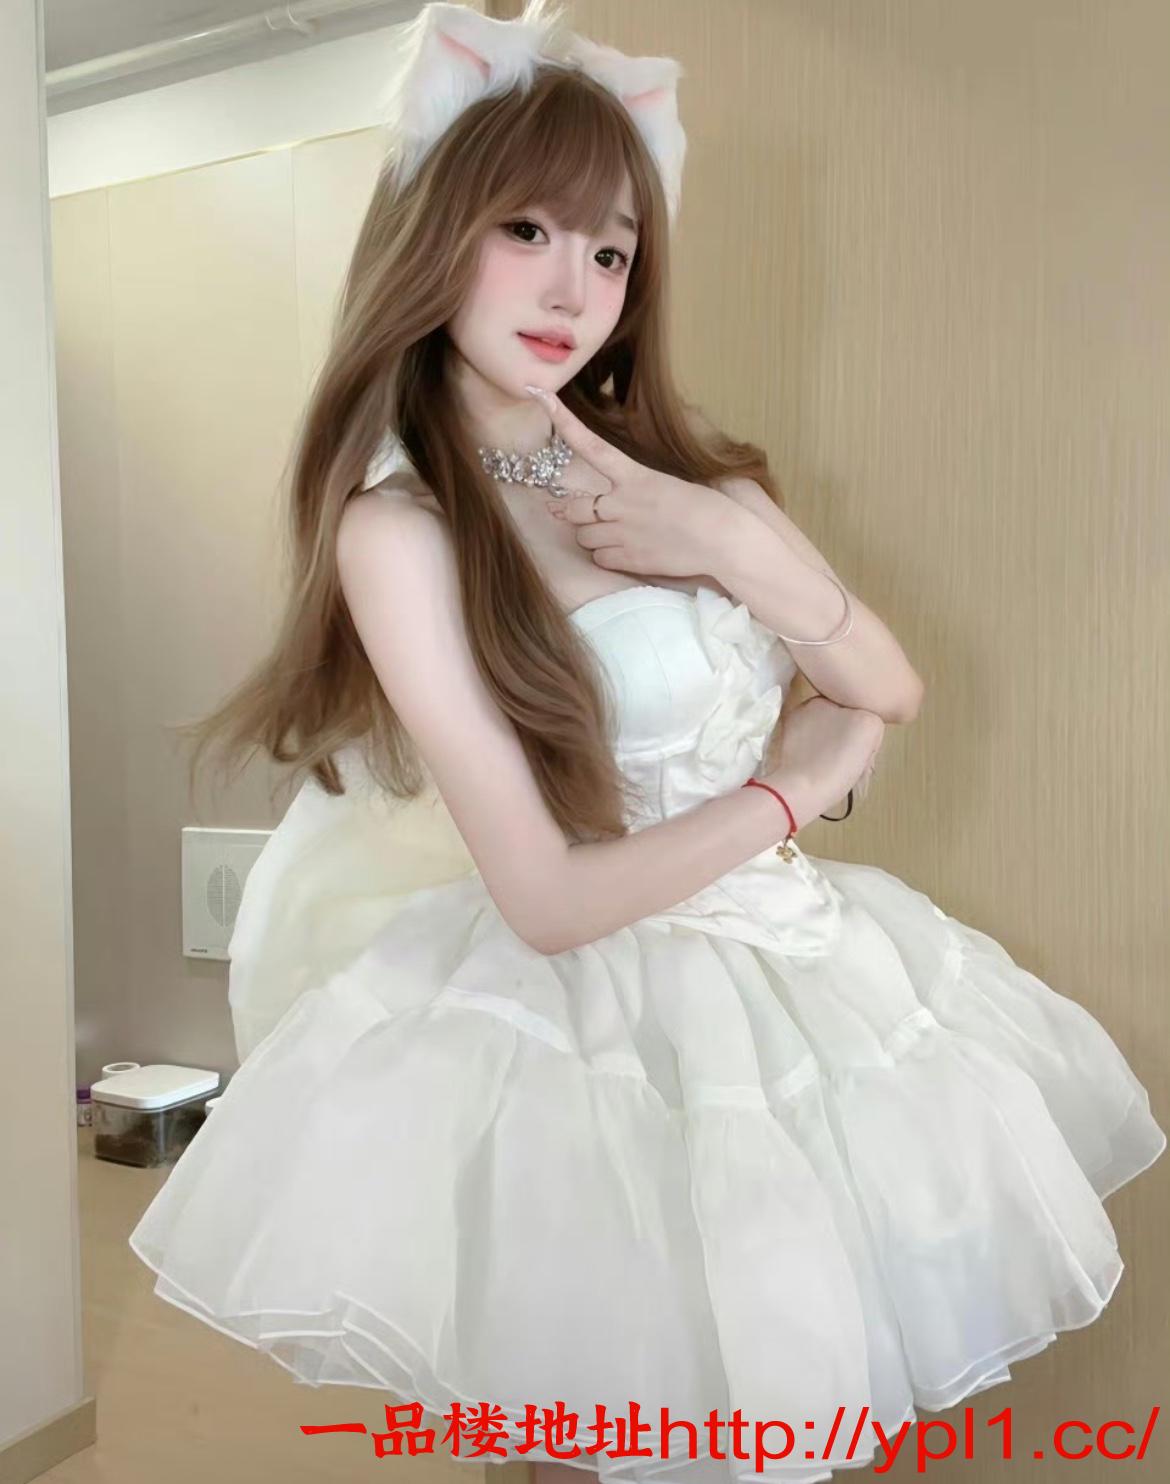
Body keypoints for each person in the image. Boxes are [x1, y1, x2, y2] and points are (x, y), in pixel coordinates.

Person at [128, 3, 1165, 1480]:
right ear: (434, 236)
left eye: (611, 252)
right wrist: (790, 792)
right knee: (598, 1427)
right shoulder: (400, 535)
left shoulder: (684, 483)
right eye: (527, 230)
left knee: (781, 1388)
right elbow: (551, 899)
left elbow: (887, 681)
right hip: (583, 1019)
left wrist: (723, 541)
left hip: (804, 983)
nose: (575, 287)